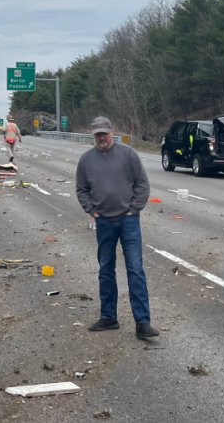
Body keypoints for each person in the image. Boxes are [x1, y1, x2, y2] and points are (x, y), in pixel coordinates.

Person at [75, 116, 159, 339]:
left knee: (135, 269)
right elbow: (81, 189)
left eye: (105, 133)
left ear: (112, 132)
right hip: (103, 221)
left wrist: (134, 209)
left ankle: (142, 322)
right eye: (98, 134)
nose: (101, 137)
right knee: (105, 269)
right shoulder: (86, 160)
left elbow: (142, 184)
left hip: (128, 220)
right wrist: (91, 210)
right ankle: (108, 316)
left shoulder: (128, 154)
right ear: (93, 135)